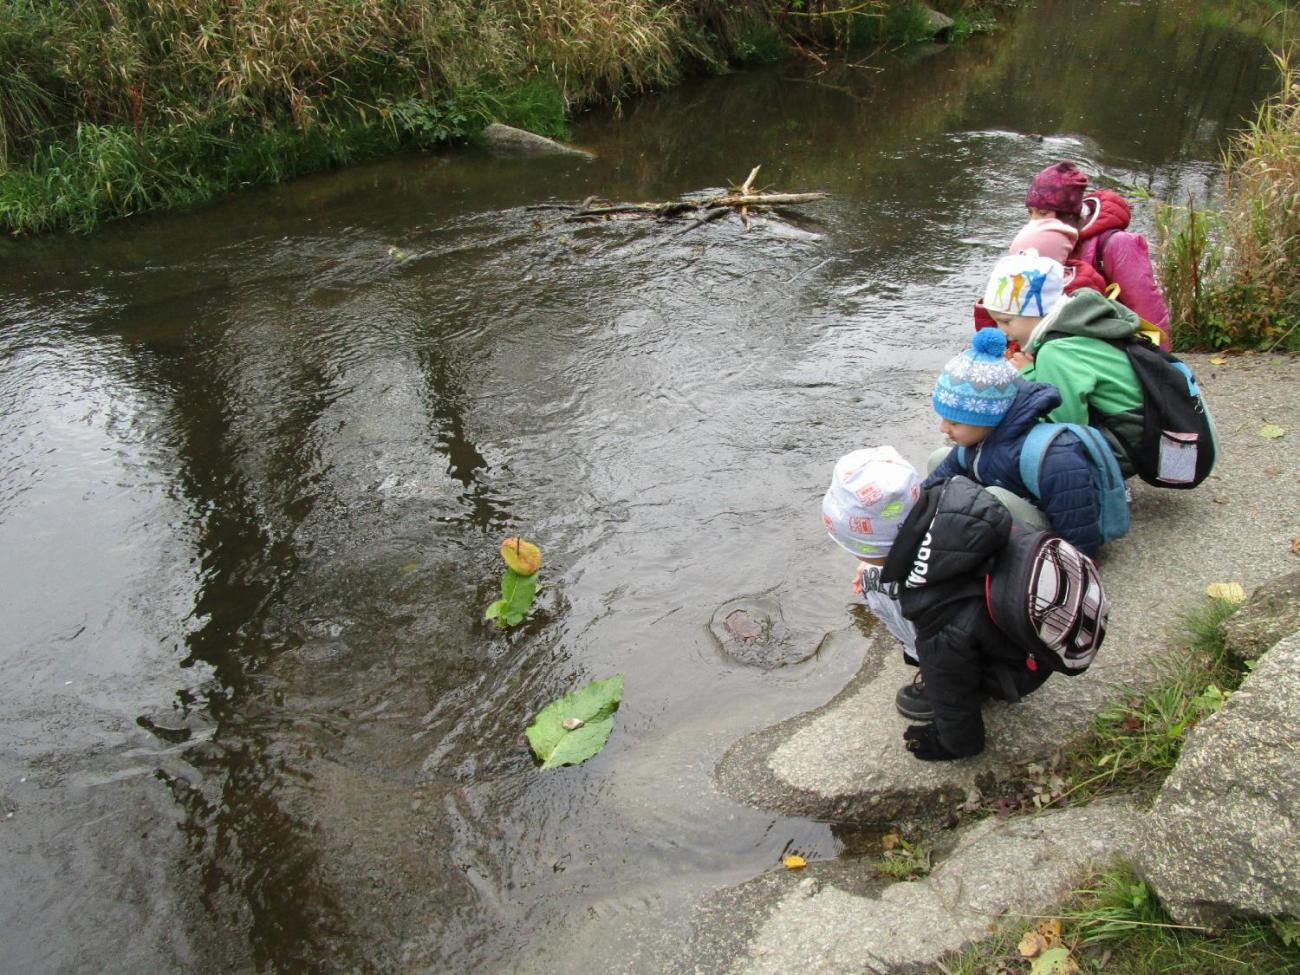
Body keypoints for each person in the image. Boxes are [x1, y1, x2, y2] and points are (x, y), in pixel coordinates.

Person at [823, 457, 1051, 761]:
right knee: (875, 576)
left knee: (878, 588)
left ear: (881, 548)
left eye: (858, 549)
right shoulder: (958, 498)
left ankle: (967, 681)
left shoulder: (937, 609)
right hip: (1032, 623)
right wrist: (877, 558)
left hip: (1019, 669)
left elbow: (951, 689)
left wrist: (951, 743)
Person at [925, 327, 1106, 556]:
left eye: (954, 423)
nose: (943, 428)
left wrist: (1074, 564)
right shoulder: (982, 435)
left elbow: (1078, 524)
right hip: (1016, 502)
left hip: (1056, 533)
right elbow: (935, 481)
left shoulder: (1054, 456)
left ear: (987, 417)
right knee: (939, 458)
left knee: (994, 498)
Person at [984, 252, 1145, 473]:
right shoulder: (1078, 323)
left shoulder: (1055, 350)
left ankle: (1102, 486)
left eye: (1005, 321)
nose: (1001, 331)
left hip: (1128, 445)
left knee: (1017, 448)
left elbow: (1062, 424)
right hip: (1138, 429)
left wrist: (1026, 374)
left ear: (1037, 312)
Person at [1024, 161, 1172, 350]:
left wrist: (1160, 364)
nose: (1033, 222)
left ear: (1068, 214)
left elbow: (1148, 309)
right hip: (1063, 345)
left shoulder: (1116, 244)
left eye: (1042, 213)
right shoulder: (1042, 243)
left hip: (1112, 346)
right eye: (1030, 213)